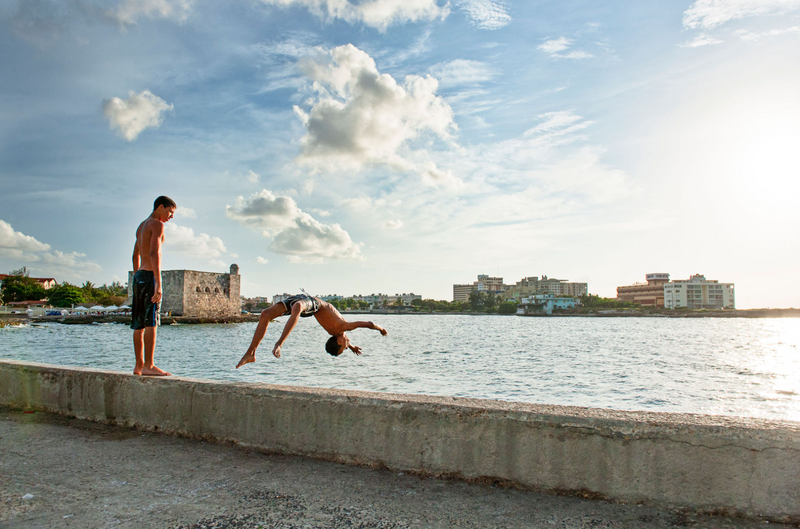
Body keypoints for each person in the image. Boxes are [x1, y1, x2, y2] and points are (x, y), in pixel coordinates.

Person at [236, 292, 388, 368]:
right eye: (346, 347)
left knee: (297, 307)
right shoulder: (340, 329)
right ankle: (251, 353)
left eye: (346, 347)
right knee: (265, 314)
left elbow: (344, 338)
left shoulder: (339, 330)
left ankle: (279, 343)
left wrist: (352, 346)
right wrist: (381, 329)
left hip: (310, 304)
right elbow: (368, 323)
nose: (348, 346)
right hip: (309, 301)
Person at [131, 196, 176, 376]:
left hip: (139, 275)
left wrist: (137, 275)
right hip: (150, 276)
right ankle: (149, 365)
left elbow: (135, 255)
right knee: (151, 322)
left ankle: (138, 366)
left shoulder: (141, 226)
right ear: (160, 207)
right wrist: (158, 282)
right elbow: (154, 252)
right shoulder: (157, 225)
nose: (171, 216)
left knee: (138, 324)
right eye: (170, 212)